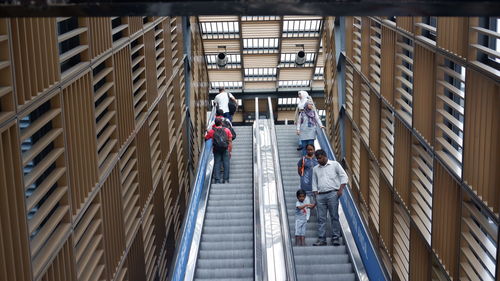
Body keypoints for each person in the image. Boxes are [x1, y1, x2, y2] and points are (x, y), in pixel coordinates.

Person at [312, 149, 348, 246]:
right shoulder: (315, 169)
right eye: (317, 159)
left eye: (320, 158)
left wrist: (340, 189)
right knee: (321, 218)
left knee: (334, 216)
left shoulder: (335, 164)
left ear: (325, 156)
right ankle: (321, 239)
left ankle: (335, 238)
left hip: (333, 194)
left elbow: (344, 176)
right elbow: (314, 182)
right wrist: (316, 193)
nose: (318, 160)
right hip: (320, 195)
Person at [205, 118, 232, 183]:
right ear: (221, 123)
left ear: (215, 123)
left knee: (217, 163)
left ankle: (217, 180)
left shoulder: (212, 131)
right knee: (226, 163)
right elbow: (230, 140)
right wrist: (230, 150)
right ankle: (225, 180)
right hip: (225, 149)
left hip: (216, 149)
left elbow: (206, 138)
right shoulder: (227, 130)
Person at [297, 144, 318, 209]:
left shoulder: (317, 158)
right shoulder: (303, 159)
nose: (310, 151)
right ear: (306, 150)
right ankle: (305, 216)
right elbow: (299, 170)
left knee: (318, 201)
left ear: (314, 150)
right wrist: (303, 178)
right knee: (306, 201)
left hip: (317, 183)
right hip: (306, 183)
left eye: (311, 149)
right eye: (308, 150)